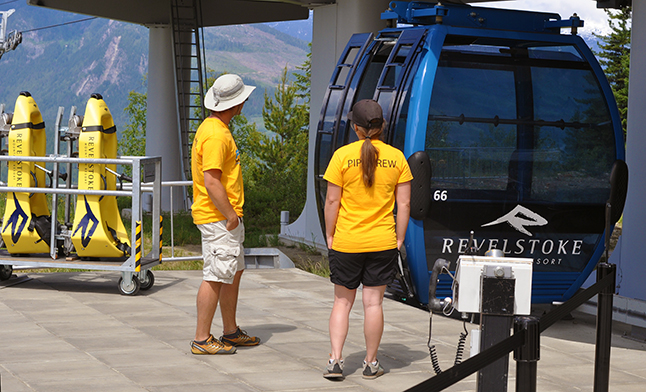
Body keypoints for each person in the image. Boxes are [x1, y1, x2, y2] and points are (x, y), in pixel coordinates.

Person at [323, 99, 412, 379]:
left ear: (355, 128)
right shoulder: (397, 158)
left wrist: (330, 233)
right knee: (373, 304)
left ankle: (335, 361)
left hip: (347, 241)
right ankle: (371, 363)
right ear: (383, 125)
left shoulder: (341, 156)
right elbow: (405, 205)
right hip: (382, 241)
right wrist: (398, 239)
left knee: (342, 303)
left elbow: (332, 201)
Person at [190, 74, 260, 355]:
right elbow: (211, 180)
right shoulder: (217, 135)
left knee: (232, 271)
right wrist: (230, 215)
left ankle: (230, 332)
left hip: (223, 217)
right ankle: (202, 338)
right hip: (219, 217)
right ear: (238, 103)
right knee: (216, 275)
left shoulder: (214, 128)